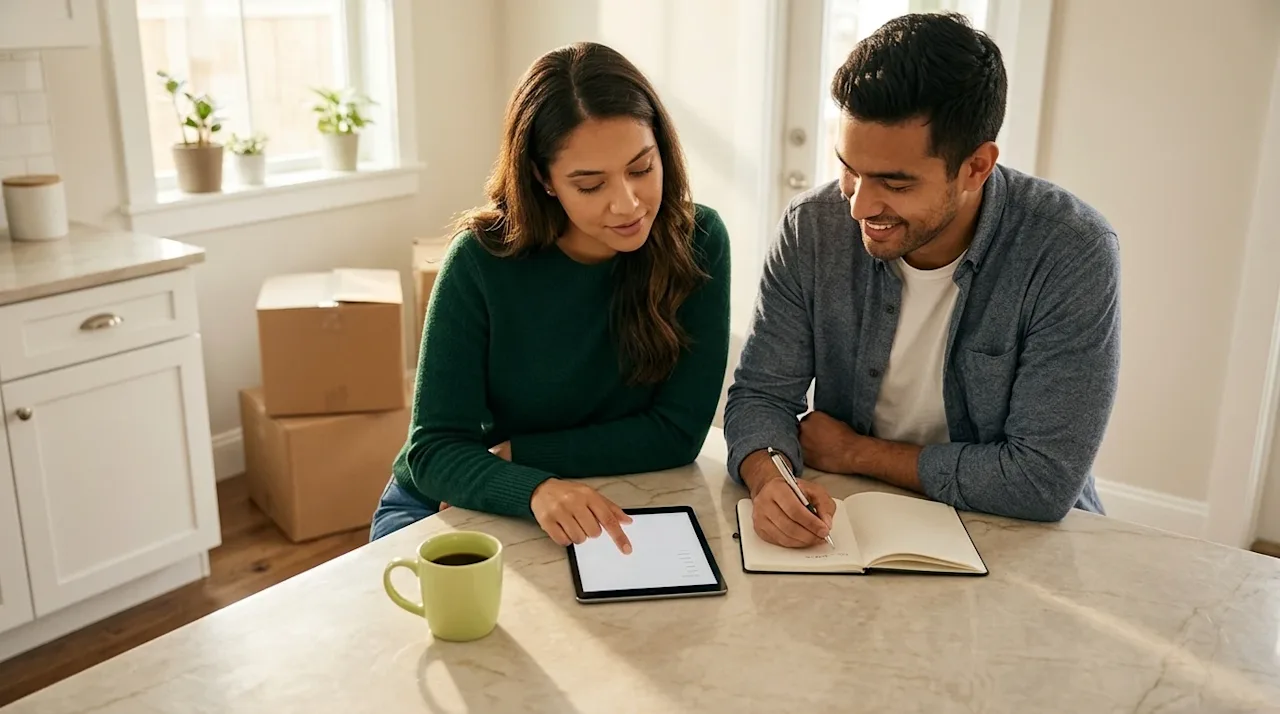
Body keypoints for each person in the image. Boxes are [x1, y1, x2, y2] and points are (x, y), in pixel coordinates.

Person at [724, 12, 1121, 549]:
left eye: (894, 182)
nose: (860, 205)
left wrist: (855, 453)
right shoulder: (811, 228)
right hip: (853, 522)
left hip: (1020, 540)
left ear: (976, 167)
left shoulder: (1070, 250)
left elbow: (1041, 480)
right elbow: (760, 396)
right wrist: (770, 478)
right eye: (849, 168)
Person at [370, 42, 732, 551]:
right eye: (590, 185)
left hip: (557, 481)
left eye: (641, 168)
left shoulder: (697, 241)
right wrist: (532, 487)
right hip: (454, 494)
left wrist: (520, 455)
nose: (627, 204)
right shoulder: (479, 262)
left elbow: (677, 433)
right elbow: (432, 451)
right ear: (543, 179)